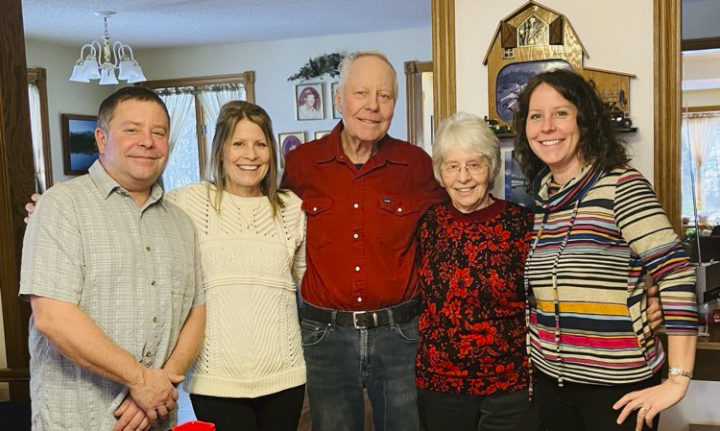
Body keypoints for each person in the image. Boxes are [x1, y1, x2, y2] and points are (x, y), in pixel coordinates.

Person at [513, 68, 697, 431]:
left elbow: (676, 273)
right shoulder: (545, 200)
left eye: (561, 113)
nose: (546, 126)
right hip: (552, 384)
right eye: (536, 116)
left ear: (584, 121)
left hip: (618, 388)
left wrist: (678, 378)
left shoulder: (621, 186)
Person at [19, 86, 206, 431]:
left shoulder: (181, 223)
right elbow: (53, 317)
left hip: (157, 416)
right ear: (102, 139)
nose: (147, 142)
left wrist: (159, 385)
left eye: (158, 133)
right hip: (78, 419)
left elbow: (196, 312)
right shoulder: (62, 206)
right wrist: (140, 380)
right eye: (132, 129)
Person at [281, 51, 447, 431]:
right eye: (361, 93)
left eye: (384, 96)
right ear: (339, 99)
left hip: (400, 335)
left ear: (395, 105)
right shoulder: (302, 164)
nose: (373, 106)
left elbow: (451, 226)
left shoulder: (417, 165)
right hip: (325, 336)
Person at [166, 101, 307, 431]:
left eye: (260, 144)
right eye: (239, 143)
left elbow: (311, 283)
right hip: (215, 380)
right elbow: (135, 217)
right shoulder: (188, 202)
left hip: (285, 375)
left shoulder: (291, 208)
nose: (251, 155)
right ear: (221, 149)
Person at [415, 112, 535, 431]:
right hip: (440, 384)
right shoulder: (429, 225)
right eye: (452, 166)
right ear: (440, 173)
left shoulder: (523, 225)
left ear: (491, 167)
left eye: (474, 165)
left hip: (510, 386)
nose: (463, 177)